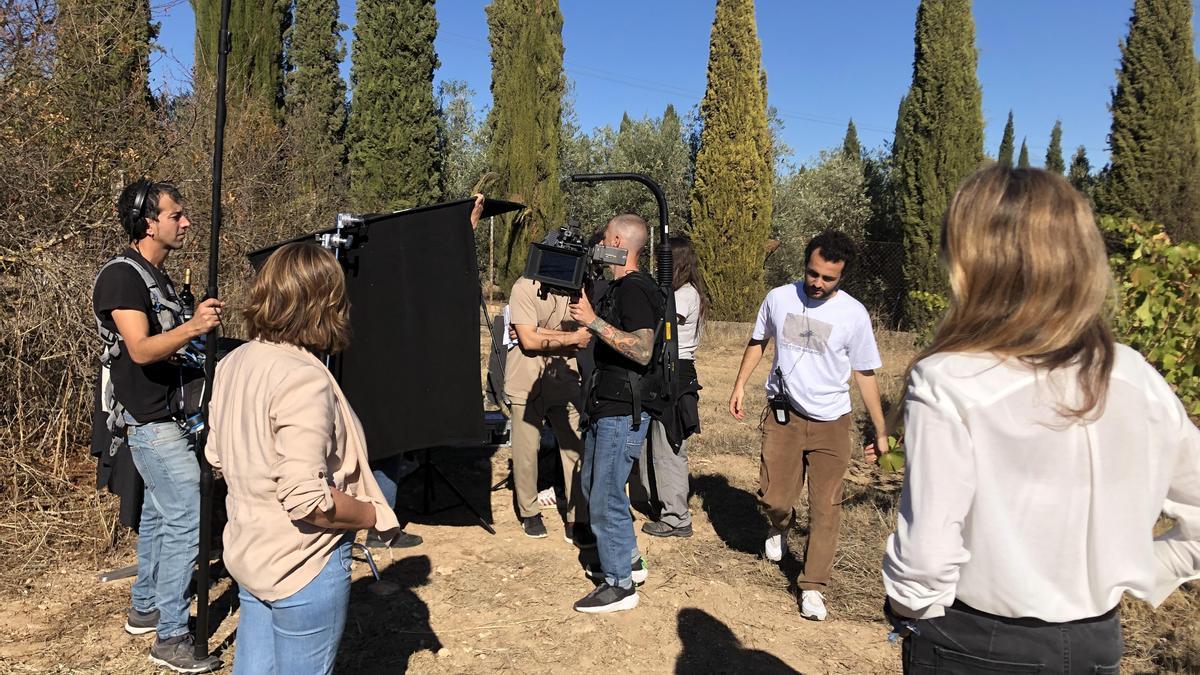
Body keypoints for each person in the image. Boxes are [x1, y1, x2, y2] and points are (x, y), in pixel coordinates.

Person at [882, 165, 1200, 673]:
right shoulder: (1134, 375)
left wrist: (910, 610)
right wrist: (1135, 573)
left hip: (974, 640)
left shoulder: (948, 378)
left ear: (970, 261)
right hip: (1097, 643)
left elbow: (924, 560)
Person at [207, 243, 400, 674]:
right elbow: (305, 498)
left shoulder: (234, 361)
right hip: (303, 563)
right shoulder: (302, 378)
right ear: (323, 303)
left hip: (249, 552)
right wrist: (371, 514)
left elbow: (216, 456)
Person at [92, 179, 223, 673]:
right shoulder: (123, 277)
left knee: (159, 516)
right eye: (176, 215)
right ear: (150, 223)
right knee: (188, 511)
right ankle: (170, 636)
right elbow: (142, 349)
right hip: (148, 422)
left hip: (168, 416)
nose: (185, 222)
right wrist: (193, 327)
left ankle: (145, 608)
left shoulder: (157, 277)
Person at [729, 229, 886, 622]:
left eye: (828, 278)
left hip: (832, 422)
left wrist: (880, 431)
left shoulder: (853, 314)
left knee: (827, 507)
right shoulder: (779, 298)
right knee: (774, 498)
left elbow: (865, 373)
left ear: (842, 276)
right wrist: (740, 384)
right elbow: (757, 340)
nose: (818, 283)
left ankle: (813, 586)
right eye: (813, 273)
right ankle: (780, 526)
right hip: (784, 416)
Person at [367, 193, 486, 549]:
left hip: (370, 377)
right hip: (384, 381)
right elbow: (437, 275)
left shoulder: (368, 267)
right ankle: (382, 528)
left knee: (381, 449)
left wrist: (466, 228)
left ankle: (373, 521)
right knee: (387, 447)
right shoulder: (394, 276)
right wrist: (463, 230)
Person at [568, 214, 661, 613]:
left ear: (619, 241)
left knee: (606, 493)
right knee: (596, 486)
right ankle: (630, 562)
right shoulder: (621, 288)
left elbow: (642, 349)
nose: (600, 243)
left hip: (623, 408)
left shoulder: (636, 289)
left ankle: (620, 585)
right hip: (607, 404)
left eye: (605, 238)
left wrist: (592, 322)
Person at [505, 268, 594, 542]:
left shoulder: (578, 287)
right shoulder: (523, 286)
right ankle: (529, 512)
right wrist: (566, 339)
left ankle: (577, 517)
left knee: (575, 446)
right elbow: (529, 341)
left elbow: (587, 331)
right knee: (525, 450)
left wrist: (535, 331)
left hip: (565, 378)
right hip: (525, 378)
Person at [630, 235, 706, 538]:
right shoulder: (678, 293)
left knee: (669, 447)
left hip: (677, 373)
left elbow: (664, 329)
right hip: (665, 371)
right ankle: (663, 506)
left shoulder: (685, 295)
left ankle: (677, 517)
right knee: (655, 444)